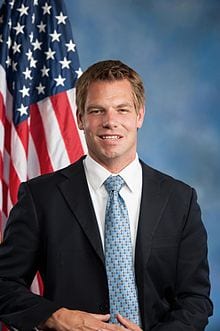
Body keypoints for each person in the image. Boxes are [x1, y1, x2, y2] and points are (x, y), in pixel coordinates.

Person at [0, 60, 213, 331]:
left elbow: (195, 300)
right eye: (97, 110)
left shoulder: (180, 200)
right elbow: (4, 284)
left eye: (122, 110)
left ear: (139, 116)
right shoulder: (41, 197)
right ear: (80, 118)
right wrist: (56, 316)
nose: (110, 122)